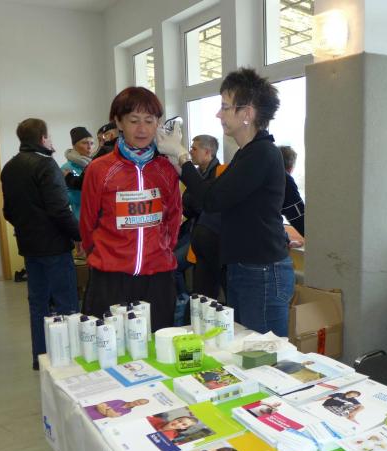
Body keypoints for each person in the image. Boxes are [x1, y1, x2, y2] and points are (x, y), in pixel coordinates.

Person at [157, 67, 294, 336]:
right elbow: (211, 190)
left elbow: (212, 199)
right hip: (244, 267)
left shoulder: (262, 153)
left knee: (264, 351)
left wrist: (183, 156)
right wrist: (178, 163)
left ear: (247, 113)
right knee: (246, 347)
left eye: (225, 107)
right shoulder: (246, 153)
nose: (219, 114)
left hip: (262, 270)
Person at [79, 87, 182, 327]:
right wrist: (104, 255)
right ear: (119, 122)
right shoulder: (99, 169)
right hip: (110, 277)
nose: (142, 129)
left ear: (158, 123)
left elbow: (174, 216)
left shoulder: (166, 169)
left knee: (157, 343)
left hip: (157, 277)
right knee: (109, 344)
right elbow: (88, 221)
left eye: (149, 121)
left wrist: (161, 250)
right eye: (134, 121)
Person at [1, 118, 81, 370]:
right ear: (43, 138)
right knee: (66, 304)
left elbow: (8, 212)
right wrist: (80, 235)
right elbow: (60, 210)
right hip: (55, 247)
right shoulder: (47, 165)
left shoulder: (9, 167)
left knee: (38, 304)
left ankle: (41, 357)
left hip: (29, 247)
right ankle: (70, 360)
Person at [186, 134, 224, 299]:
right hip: (193, 232)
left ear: (208, 152)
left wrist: (193, 202)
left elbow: (202, 205)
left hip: (210, 236)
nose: (190, 152)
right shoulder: (195, 174)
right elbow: (187, 203)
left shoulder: (220, 173)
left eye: (194, 149)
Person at [61, 126, 94, 220]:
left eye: (92, 143)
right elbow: (64, 196)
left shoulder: (96, 164)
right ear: (74, 145)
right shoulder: (66, 168)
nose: (89, 147)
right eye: (84, 143)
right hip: (80, 217)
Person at [278, 145, 305, 242]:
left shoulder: (260, 176)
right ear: (291, 168)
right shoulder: (285, 180)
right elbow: (299, 218)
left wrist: (286, 239)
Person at [83, 398, 149, 420]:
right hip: (84, 411)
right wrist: (109, 412)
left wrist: (107, 408)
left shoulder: (128, 411)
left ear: (141, 405)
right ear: (136, 399)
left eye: (140, 403)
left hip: (89, 418)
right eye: (138, 401)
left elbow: (112, 416)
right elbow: (100, 405)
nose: (137, 403)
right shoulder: (119, 401)